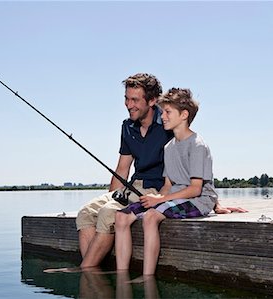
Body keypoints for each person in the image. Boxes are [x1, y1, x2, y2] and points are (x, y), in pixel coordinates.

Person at [115, 88, 246, 276]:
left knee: (151, 217)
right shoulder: (169, 147)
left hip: (198, 200)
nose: (163, 117)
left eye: (168, 112)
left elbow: (195, 189)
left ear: (184, 115)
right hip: (175, 197)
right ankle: (121, 276)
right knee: (121, 217)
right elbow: (168, 186)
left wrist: (159, 202)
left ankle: (147, 277)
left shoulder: (197, 145)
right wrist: (156, 197)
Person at [76, 73, 173, 269]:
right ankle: (93, 270)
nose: (129, 105)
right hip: (131, 188)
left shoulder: (169, 123)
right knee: (85, 213)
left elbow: (191, 157)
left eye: (135, 100)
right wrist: (112, 196)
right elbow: (123, 167)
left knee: (107, 214)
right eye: (126, 99)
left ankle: (86, 272)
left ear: (152, 101)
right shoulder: (127, 126)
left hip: (155, 190)